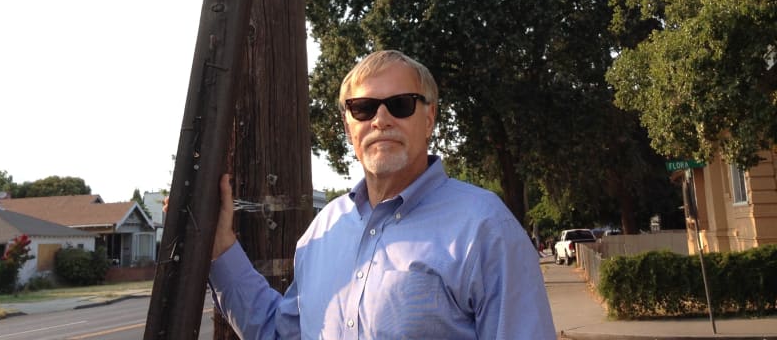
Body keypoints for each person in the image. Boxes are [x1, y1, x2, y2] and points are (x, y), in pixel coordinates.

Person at [209, 49, 556, 339]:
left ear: (430, 118)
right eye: (363, 107)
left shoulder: (484, 226)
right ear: (349, 126)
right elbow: (278, 333)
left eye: (401, 104)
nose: (381, 119)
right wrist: (220, 248)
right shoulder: (323, 230)